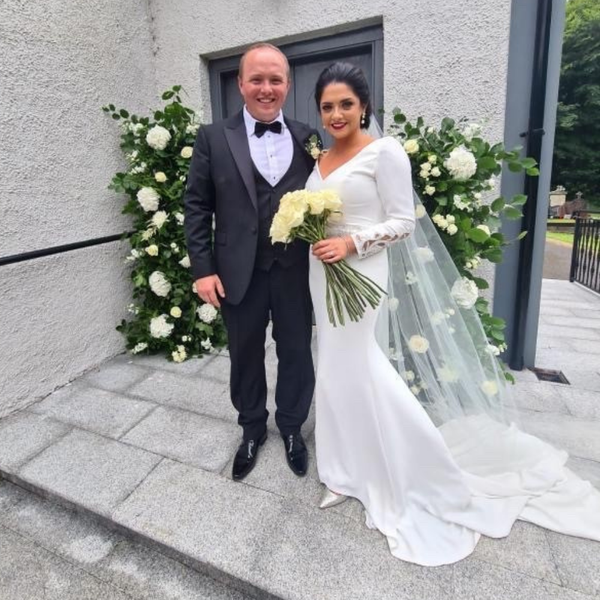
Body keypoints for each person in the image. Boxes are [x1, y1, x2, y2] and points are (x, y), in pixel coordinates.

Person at [307, 61, 600, 566]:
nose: (336, 114)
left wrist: (353, 241)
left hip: (362, 272)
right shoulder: (320, 160)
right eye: (328, 106)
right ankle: (342, 469)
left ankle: (418, 467)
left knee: (363, 368)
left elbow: (402, 221)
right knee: (332, 370)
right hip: (323, 277)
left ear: (364, 106)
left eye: (346, 104)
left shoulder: (385, 152)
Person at [184, 43, 320, 481]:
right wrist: (203, 268)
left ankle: (293, 428)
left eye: (275, 79)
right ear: (240, 83)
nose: (266, 88)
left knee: (297, 351)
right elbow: (197, 206)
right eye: (257, 79)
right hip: (236, 271)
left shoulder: (309, 138)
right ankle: (251, 429)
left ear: (287, 84)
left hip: (295, 271)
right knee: (244, 354)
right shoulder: (212, 137)